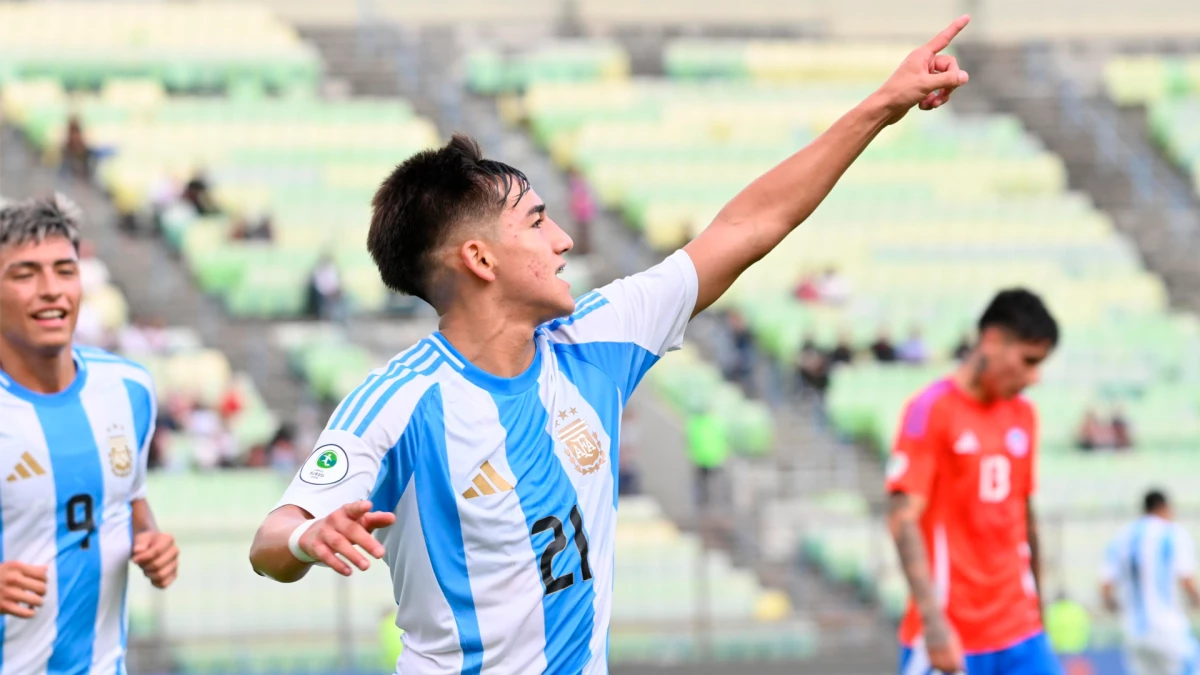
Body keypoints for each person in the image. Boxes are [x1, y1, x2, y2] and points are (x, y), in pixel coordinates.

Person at [250, 16, 973, 674]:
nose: (564, 239)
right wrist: (307, 538)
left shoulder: (595, 337)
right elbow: (272, 538)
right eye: (538, 222)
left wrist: (884, 105)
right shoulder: (400, 401)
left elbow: (750, 226)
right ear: (479, 258)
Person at [0, 195, 178, 671]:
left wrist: (153, 542)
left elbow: (130, 502)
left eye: (65, 270)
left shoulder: (128, 388)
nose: (50, 290)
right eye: (24, 274)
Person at [886, 288, 1061, 675]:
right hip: (951, 637)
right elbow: (903, 518)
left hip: (1020, 632)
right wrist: (933, 625)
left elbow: (1023, 514)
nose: (1034, 377)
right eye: (1028, 361)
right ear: (992, 341)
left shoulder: (1023, 415)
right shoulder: (930, 410)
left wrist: (1040, 615)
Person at [1101, 490, 1200, 675]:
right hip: (1168, 628)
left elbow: (1106, 587)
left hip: (1134, 631)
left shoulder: (1122, 537)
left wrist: (1115, 607)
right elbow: (1186, 579)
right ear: (1164, 507)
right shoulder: (1172, 533)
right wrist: (1196, 600)